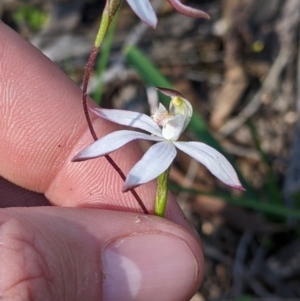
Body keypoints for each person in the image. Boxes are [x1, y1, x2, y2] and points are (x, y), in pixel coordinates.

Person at [0, 21, 204, 301]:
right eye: (170, 110)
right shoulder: (141, 124)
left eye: (178, 110)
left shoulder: (170, 140)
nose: (172, 109)